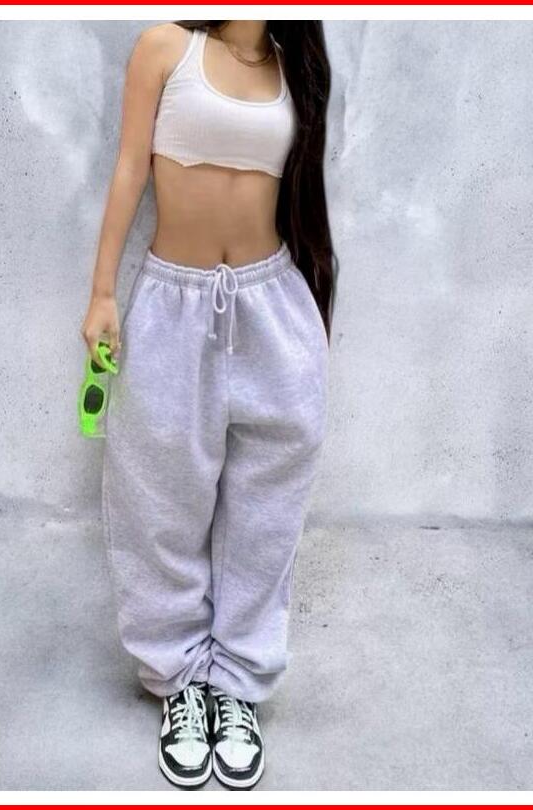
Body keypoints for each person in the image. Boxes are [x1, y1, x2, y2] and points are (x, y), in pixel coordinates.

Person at [80, 20, 337, 790]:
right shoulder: (167, 46)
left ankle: (238, 683)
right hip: (173, 303)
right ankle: (180, 681)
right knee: (157, 496)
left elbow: (303, 193)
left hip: (271, 304)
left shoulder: (295, 67)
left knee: (267, 510)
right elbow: (130, 167)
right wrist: (102, 294)